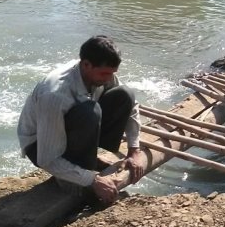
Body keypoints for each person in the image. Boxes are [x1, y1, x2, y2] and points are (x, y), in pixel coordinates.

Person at [17, 36, 145, 205]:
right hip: (40, 145)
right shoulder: (54, 94)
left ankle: (86, 160)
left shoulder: (99, 74)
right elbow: (46, 159)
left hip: (71, 126)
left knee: (125, 94)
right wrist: (92, 180)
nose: (109, 78)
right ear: (86, 65)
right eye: (104, 73)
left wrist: (134, 150)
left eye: (112, 73)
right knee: (89, 112)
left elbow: (132, 106)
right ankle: (73, 178)